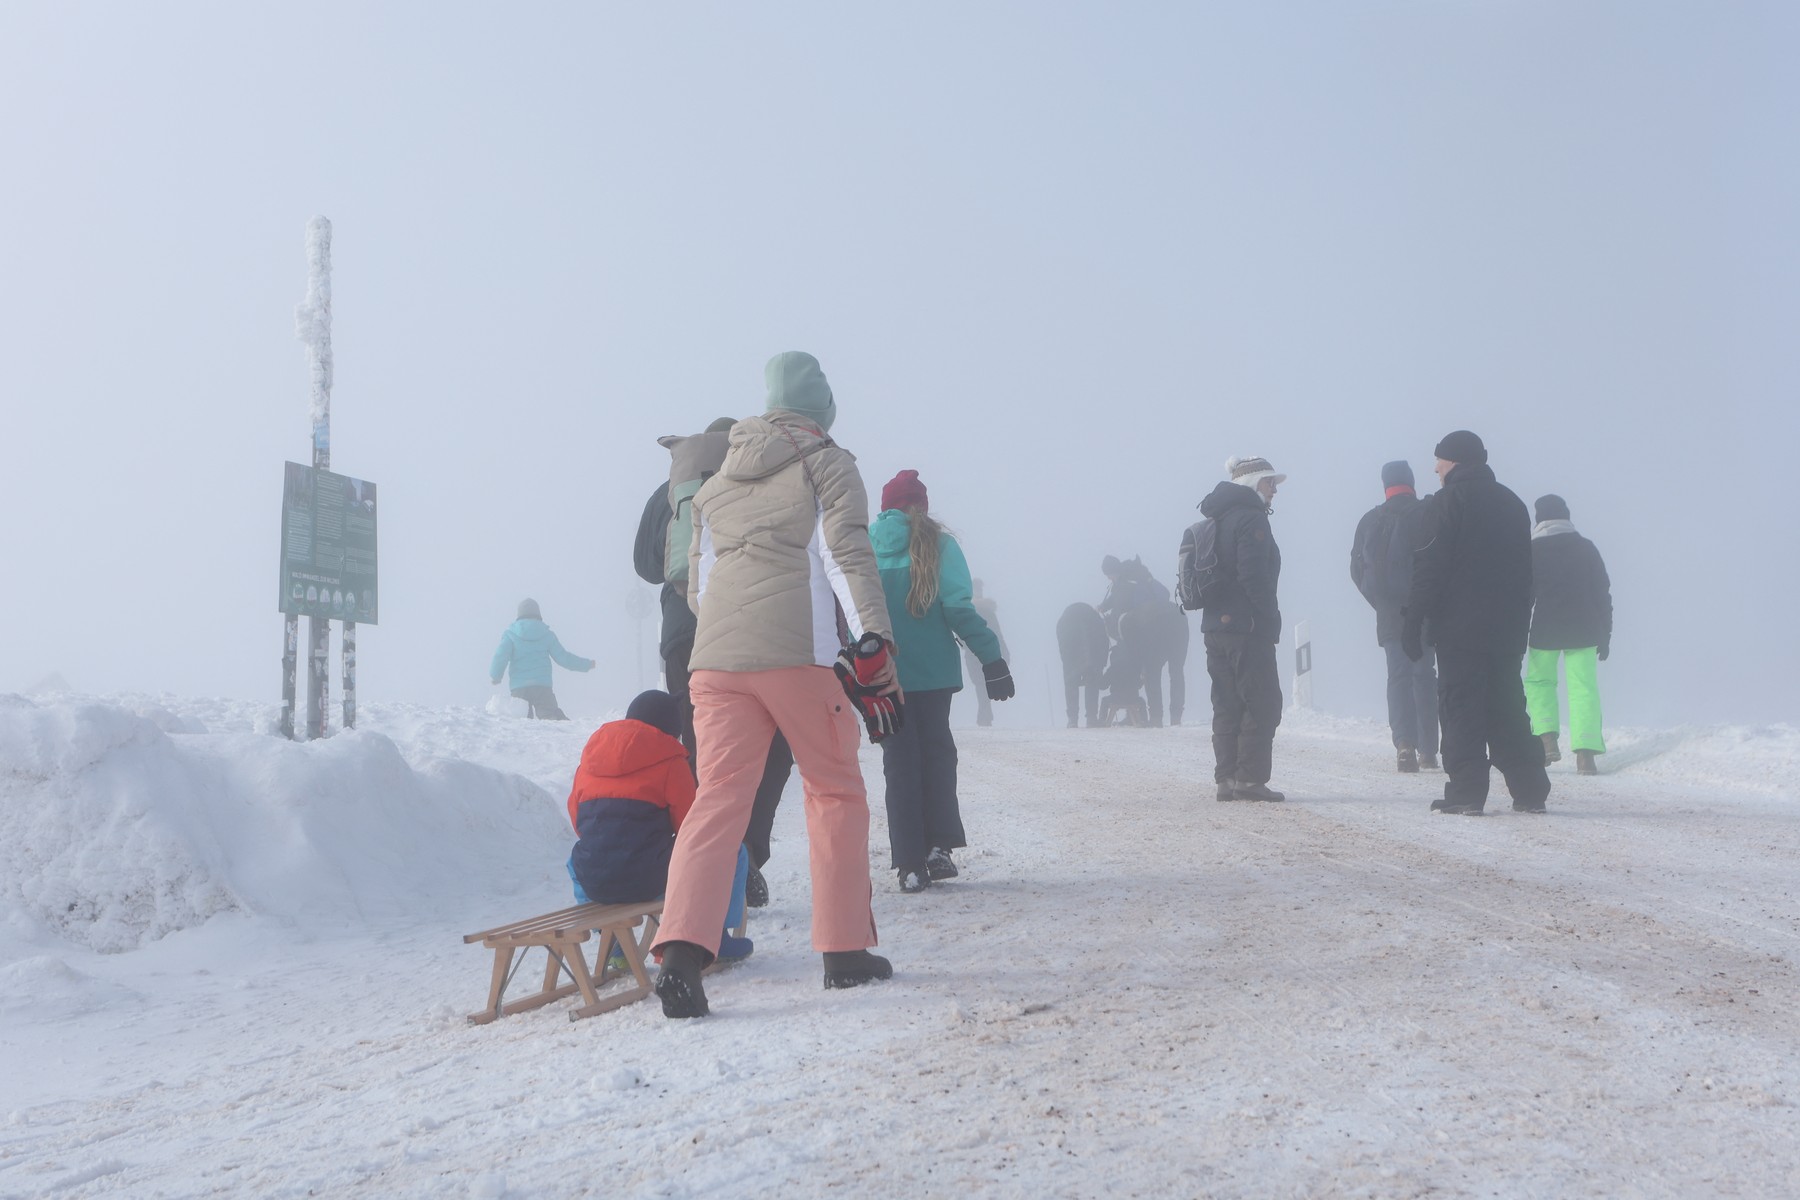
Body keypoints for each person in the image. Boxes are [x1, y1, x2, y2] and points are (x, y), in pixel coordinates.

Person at [652, 351, 899, 1018]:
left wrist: (730, 634)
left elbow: (696, 584)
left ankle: (681, 955)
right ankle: (844, 951)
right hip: (798, 657)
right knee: (834, 790)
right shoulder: (827, 463)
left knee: (718, 799)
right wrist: (874, 643)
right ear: (821, 409)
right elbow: (844, 555)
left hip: (715, 661)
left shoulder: (715, 483)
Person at [634, 418, 795, 908]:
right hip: (750, 627)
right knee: (772, 742)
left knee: (698, 747)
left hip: (684, 632)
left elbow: (646, 566)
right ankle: (745, 856)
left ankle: (701, 868)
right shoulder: (765, 480)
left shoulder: (672, 490)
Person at [870, 470, 1012, 892]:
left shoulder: (862, 543)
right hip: (933, 674)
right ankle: (938, 848)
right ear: (922, 506)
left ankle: (909, 864)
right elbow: (958, 609)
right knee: (936, 756)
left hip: (880, 673)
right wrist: (992, 659)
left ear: (885, 507)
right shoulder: (940, 545)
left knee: (899, 763)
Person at [1402, 430, 1551, 815]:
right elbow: (1527, 573)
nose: (1435, 468)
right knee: (1507, 706)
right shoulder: (1512, 503)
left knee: (1460, 708)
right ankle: (1530, 789)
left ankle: (1467, 792)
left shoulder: (1448, 501)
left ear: (1455, 461)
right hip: (1507, 630)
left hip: (1460, 629)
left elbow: (1429, 566)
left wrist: (1414, 618)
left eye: (1439, 460)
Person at [565, 690, 751, 963]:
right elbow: (691, 827)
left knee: (576, 860)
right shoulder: (670, 762)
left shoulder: (589, 764)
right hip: (648, 878)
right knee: (730, 851)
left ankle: (615, 942)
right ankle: (716, 937)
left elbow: (578, 822)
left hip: (595, 883)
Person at [1197, 456, 1287, 801]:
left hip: (1214, 628)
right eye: (1269, 482)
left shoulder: (1216, 518)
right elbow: (1254, 575)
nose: (1274, 490)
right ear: (1252, 483)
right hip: (1246, 628)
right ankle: (1249, 780)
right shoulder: (1251, 519)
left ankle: (1226, 779)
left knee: (1226, 702)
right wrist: (1270, 617)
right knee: (1262, 701)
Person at [1351, 460, 1440, 772]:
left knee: (1398, 675)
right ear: (1411, 482)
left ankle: (1404, 744)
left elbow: (1356, 570)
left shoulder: (1370, 520)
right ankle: (1428, 750)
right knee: (1424, 674)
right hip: (1424, 609)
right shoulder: (1426, 513)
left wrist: (1381, 603)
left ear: (1385, 485)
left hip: (1389, 611)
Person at [1525, 494, 1613, 776]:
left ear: (1538, 519)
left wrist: (1516, 632)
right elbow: (1602, 593)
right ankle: (1585, 755)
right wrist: (1605, 633)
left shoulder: (1532, 550)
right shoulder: (1586, 548)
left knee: (1539, 682)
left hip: (1545, 629)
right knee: (1583, 688)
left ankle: (1546, 740)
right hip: (1584, 630)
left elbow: (1523, 597)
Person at [488, 599, 593, 720]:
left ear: (519, 615)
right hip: (542, 686)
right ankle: (558, 727)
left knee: (522, 720)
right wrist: (586, 665)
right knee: (549, 717)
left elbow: (500, 656)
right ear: (538, 614)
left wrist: (496, 676)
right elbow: (564, 658)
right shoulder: (547, 634)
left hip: (519, 687)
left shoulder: (510, 635)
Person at [960, 578, 1008, 728]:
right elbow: (997, 633)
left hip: (972, 652)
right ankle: (985, 715)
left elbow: (961, 634)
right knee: (982, 683)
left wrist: (964, 645)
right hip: (986, 651)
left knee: (980, 683)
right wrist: (1004, 652)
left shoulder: (967, 610)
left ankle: (985, 715)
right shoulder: (987, 610)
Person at [1056, 602, 1110, 728]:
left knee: (1071, 682)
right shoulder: (1096, 620)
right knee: (1092, 681)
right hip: (1092, 650)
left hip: (1070, 650)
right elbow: (1104, 641)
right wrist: (1101, 663)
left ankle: (1072, 719)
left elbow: (1061, 642)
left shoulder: (1064, 621)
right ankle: (1091, 718)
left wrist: (1066, 659)